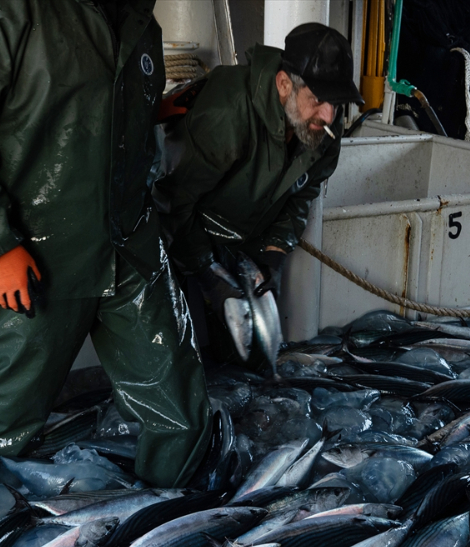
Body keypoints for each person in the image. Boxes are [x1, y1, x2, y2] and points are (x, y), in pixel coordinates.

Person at [0, 0, 212, 488]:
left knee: (180, 404)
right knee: (6, 422)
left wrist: (146, 108)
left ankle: (168, 531)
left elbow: (87, 104)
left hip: (131, 245)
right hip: (31, 252)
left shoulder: (141, 17)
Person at [153, 23, 363, 360]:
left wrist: (275, 252)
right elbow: (172, 202)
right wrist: (207, 272)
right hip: (186, 234)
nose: (328, 116)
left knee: (252, 365)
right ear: (284, 84)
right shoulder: (228, 114)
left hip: (247, 243)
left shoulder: (325, 129)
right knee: (185, 364)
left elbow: (301, 197)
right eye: (318, 100)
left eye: (336, 104)